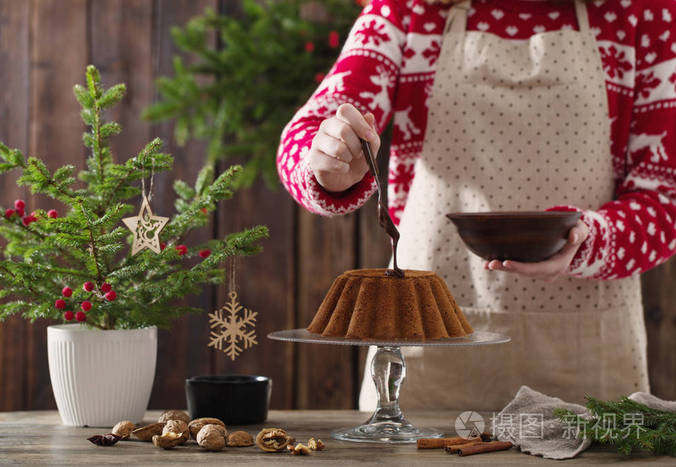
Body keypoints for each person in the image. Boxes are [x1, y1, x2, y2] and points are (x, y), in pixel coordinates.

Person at [277, 0, 676, 410]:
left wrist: (589, 239)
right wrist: (327, 162)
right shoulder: (407, 12)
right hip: (429, 350)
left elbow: (667, 200)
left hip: (590, 359)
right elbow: (308, 132)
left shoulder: (644, 15)